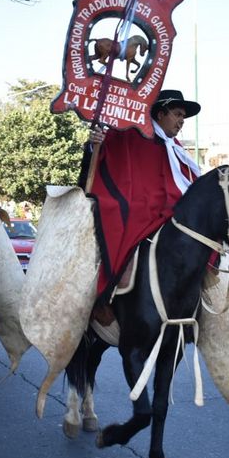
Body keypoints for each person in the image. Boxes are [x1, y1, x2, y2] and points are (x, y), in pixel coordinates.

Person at [83, 89, 201, 304]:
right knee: (127, 212)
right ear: (160, 114)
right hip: (138, 205)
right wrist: (94, 143)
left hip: (169, 209)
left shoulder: (176, 147)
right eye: (177, 114)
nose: (181, 121)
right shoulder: (131, 132)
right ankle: (107, 293)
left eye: (183, 116)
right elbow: (103, 152)